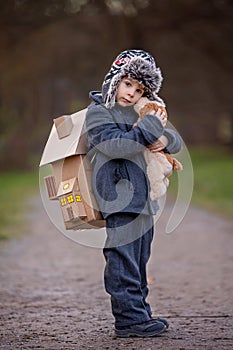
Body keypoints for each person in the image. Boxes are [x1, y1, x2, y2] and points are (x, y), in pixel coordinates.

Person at [86, 49, 182, 337]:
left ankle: (140, 312)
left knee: (139, 258)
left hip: (143, 199)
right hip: (118, 194)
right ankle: (128, 320)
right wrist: (149, 130)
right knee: (122, 257)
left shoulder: (139, 113)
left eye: (140, 90)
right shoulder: (99, 112)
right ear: (115, 79)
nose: (131, 94)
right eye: (128, 84)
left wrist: (163, 136)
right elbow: (117, 146)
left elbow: (172, 141)